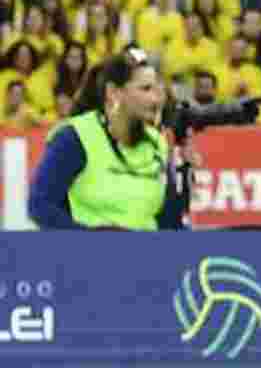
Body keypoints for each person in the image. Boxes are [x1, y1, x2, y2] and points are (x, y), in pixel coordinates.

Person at [27, 47, 192, 230]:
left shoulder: (157, 142)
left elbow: (168, 220)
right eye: (145, 89)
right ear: (114, 93)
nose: (156, 99)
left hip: (148, 254)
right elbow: (40, 206)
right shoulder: (73, 137)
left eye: (157, 88)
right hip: (88, 255)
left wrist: (185, 176)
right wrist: (95, 242)